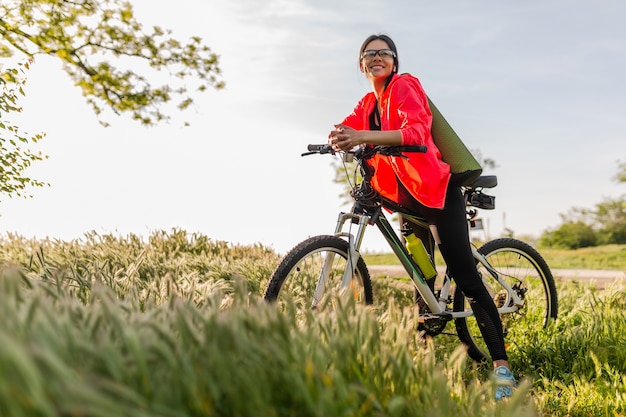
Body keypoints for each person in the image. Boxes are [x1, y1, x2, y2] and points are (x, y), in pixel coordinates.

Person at [328, 33, 516, 400]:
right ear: (361, 65)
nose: (376, 58)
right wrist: (336, 138)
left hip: (436, 194)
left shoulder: (405, 85)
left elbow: (415, 129)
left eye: (383, 53)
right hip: (403, 200)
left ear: (394, 61)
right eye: (368, 54)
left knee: (464, 276)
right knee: (421, 277)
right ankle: (424, 355)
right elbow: (348, 125)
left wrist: (364, 136)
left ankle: (502, 368)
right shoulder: (369, 101)